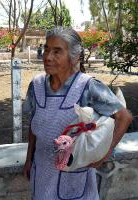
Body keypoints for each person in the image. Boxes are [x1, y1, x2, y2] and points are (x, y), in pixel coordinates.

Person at [23, 27, 132, 200]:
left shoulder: (88, 86)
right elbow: (35, 124)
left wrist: (104, 154)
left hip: (74, 174)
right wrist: (29, 159)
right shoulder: (36, 85)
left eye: (57, 51)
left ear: (75, 57)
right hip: (41, 170)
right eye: (46, 49)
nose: (48, 57)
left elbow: (124, 117)